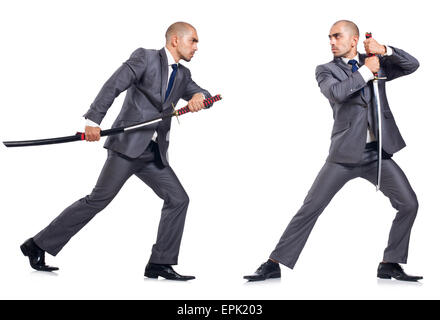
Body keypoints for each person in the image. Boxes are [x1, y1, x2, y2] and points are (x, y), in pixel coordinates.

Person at [20, 21, 211, 281]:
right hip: (126, 147)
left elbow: (200, 94)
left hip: (153, 152)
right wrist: (93, 122)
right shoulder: (145, 57)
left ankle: (160, 263)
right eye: (194, 41)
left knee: (178, 199)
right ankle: (37, 244)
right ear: (176, 40)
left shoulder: (183, 75)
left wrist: (200, 96)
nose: (197, 47)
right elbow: (114, 85)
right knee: (97, 200)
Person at [244, 20, 422, 282]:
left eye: (337, 36)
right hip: (343, 155)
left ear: (353, 40)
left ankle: (390, 262)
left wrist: (384, 50)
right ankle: (273, 263)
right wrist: (364, 71)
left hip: (377, 154)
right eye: (329, 37)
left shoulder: (376, 61)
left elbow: (412, 65)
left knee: (409, 203)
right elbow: (337, 93)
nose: (331, 42)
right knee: (311, 207)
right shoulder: (325, 70)